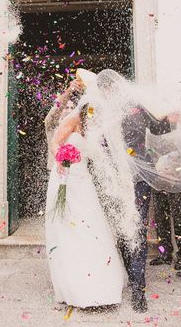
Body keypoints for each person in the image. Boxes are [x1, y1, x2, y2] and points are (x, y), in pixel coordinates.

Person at [45, 99, 126, 309]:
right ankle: (73, 285)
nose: (94, 114)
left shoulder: (95, 128)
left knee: (90, 225)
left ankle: (98, 282)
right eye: (92, 111)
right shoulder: (72, 120)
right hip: (65, 175)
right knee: (67, 228)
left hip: (83, 180)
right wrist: (60, 158)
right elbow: (55, 143)